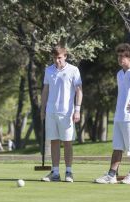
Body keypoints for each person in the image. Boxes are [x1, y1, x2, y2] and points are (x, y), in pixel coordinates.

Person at [94, 43, 130, 184]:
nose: (120, 59)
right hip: (119, 116)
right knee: (117, 147)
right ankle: (111, 175)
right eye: (118, 56)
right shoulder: (120, 74)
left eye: (123, 56)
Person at [40, 45, 83, 183]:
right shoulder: (48, 70)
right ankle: (55, 172)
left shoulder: (73, 70)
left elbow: (79, 91)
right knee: (54, 141)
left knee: (67, 142)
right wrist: (42, 109)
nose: (57, 60)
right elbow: (45, 90)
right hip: (51, 111)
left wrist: (77, 109)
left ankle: (69, 171)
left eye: (59, 57)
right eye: (54, 58)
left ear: (65, 56)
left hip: (67, 112)